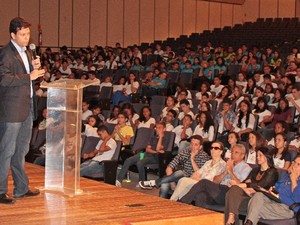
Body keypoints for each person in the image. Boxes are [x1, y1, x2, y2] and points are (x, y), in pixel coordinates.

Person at [0, 17, 45, 204]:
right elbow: (4, 80)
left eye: (28, 34)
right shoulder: (5, 54)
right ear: (13, 34)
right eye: (23, 34)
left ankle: (21, 188)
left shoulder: (26, 52)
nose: (27, 38)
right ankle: (1, 190)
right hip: (11, 111)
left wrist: (33, 69)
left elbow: (26, 80)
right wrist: (30, 75)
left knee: (21, 151)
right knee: (6, 151)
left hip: (26, 108)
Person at [179, 144, 252, 208]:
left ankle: (182, 203)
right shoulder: (228, 164)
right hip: (219, 192)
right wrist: (225, 172)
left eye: (236, 152)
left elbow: (240, 185)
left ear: (242, 156)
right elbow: (215, 181)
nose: (232, 154)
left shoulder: (246, 168)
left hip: (230, 193)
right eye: (232, 152)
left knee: (204, 182)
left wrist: (230, 171)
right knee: (201, 195)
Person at [139, 135, 210, 198]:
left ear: (200, 147)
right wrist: (172, 182)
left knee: (180, 172)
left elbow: (199, 174)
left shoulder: (204, 157)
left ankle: (154, 183)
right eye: (191, 143)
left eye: (196, 145)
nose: (192, 146)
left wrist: (192, 158)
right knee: (165, 183)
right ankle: (160, 203)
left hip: (191, 179)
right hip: (178, 177)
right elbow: (170, 166)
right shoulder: (185, 151)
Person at [224, 147, 278, 225]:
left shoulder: (272, 172)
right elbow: (246, 182)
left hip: (257, 202)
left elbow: (258, 186)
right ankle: (231, 218)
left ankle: (231, 221)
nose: (257, 157)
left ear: (267, 157)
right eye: (257, 155)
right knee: (233, 190)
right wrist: (246, 187)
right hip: (247, 197)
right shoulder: (255, 170)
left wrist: (246, 186)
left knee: (231, 194)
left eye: (260, 155)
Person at [244, 154, 300, 225]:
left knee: (253, 206)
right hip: (275, 201)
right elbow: (277, 187)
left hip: (287, 208)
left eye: (298, 164)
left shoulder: (294, 179)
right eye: (294, 162)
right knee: (258, 195)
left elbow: (297, 199)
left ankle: (248, 223)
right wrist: (270, 190)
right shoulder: (287, 176)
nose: (294, 165)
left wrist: (294, 180)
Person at [115, 121, 169, 186]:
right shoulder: (153, 137)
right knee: (128, 160)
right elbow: (147, 149)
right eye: (156, 128)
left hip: (155, 157)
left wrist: (160, 137)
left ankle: (142, 182)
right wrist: (155, 151)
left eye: (159, 128)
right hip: (146, 154)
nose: (157, 129)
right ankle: (119, 180)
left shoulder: (166, 139)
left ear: (164, 129)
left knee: (140, 162)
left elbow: (158, 148)